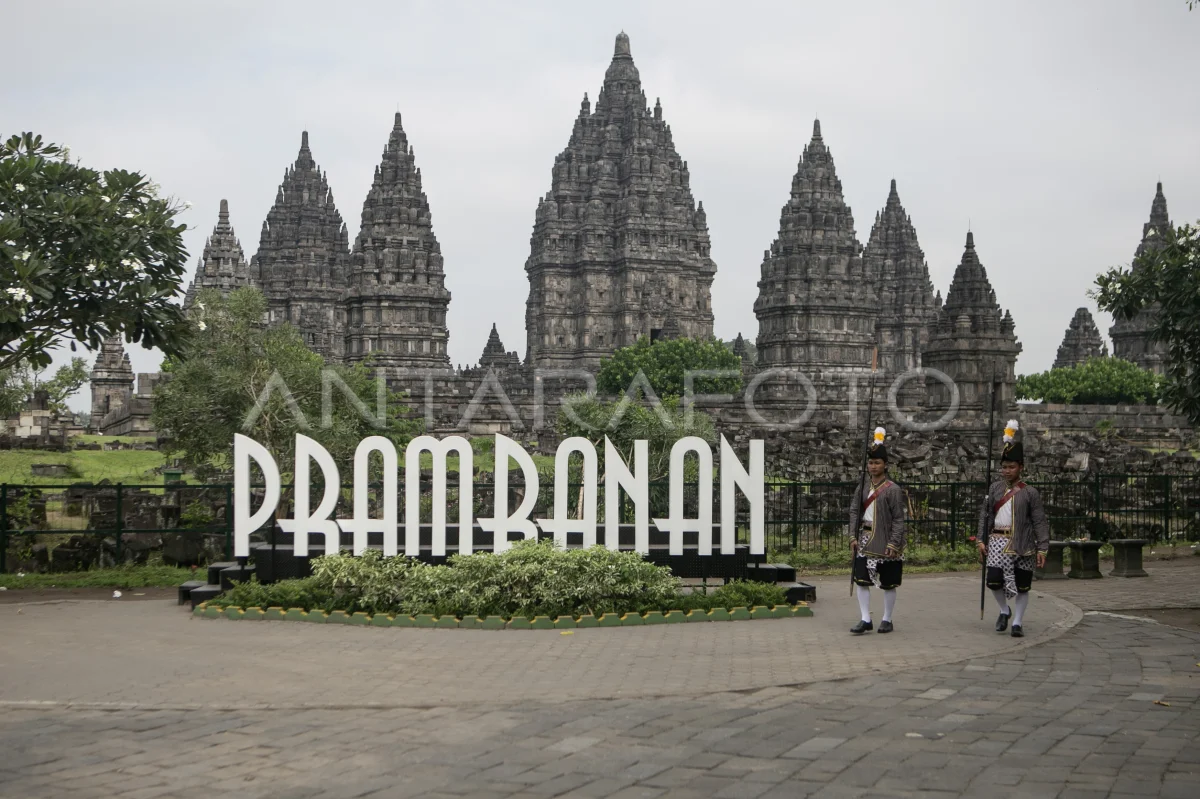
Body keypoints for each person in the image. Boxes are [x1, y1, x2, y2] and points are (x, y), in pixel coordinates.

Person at [977, 420, 1049, 638]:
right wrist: (981, 539)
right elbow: (986, 514)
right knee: (993, 581)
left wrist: (1043, 547)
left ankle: (1017, 622)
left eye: (1011, 467)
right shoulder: (995, 488)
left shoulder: (1030, 493)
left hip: (1023, 543)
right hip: (997, 542)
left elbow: (1039, 520)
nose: (1007, 471)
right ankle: (1004, 610)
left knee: (1023, 585)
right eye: (1004, 467)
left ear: (1021, 468)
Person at [848, 426, 907, 634]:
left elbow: (899, 519)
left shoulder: (893, 490)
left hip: (886, 539)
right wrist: (852, 536)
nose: (873, 467)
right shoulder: (862, 486)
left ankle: (887, 619)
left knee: (888, 583)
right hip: (864, 538)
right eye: (871, 463)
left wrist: (894, 542)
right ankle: (865, 618)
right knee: (862, 580)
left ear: (885, 465)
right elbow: (855, 511)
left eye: (877, 463)